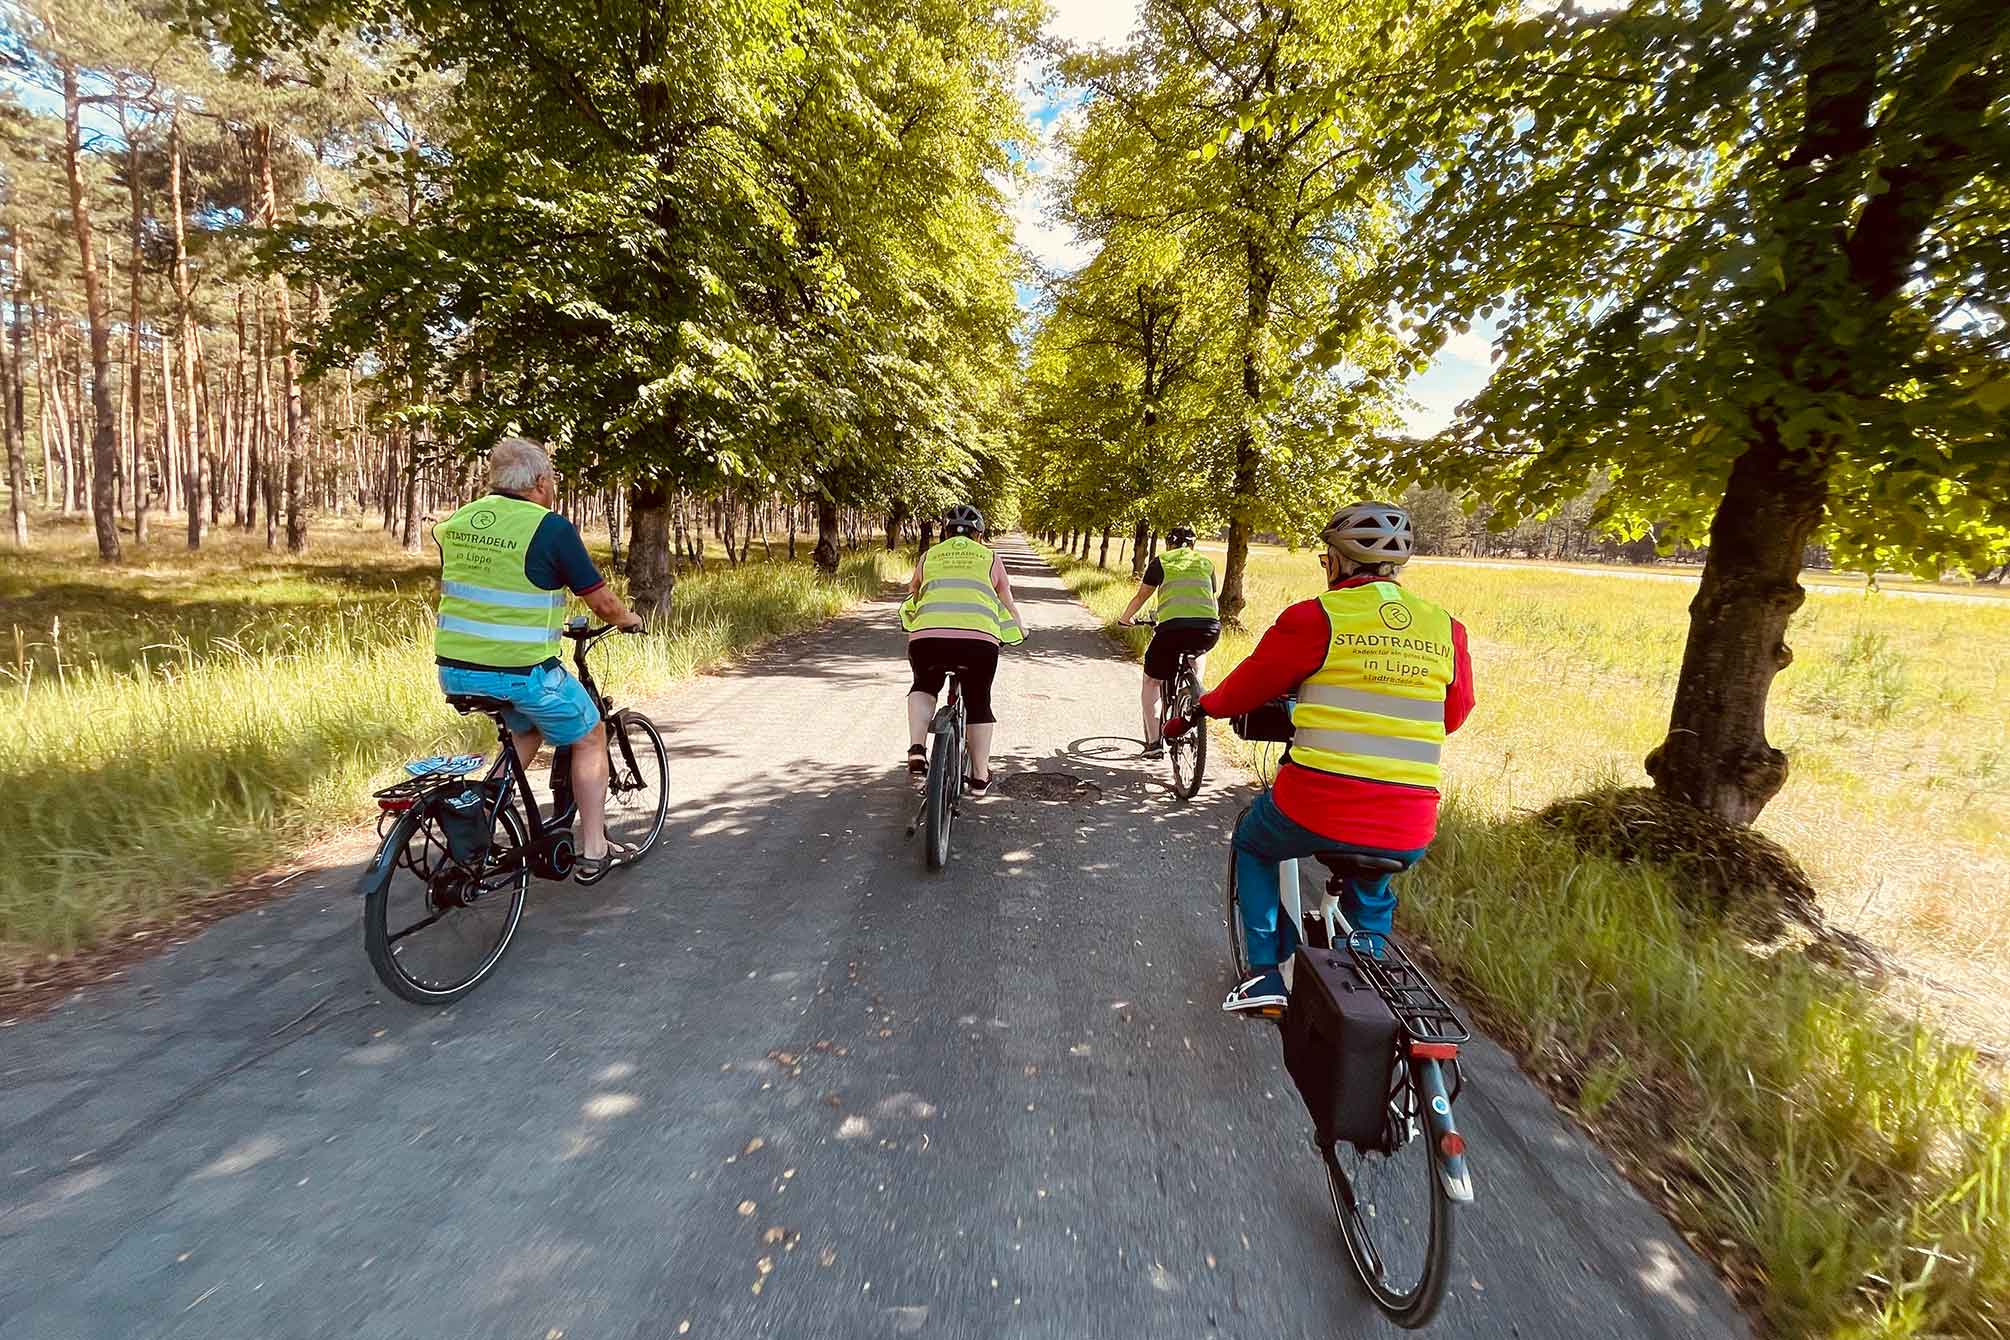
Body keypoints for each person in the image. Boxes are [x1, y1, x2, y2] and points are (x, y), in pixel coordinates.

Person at [1163, 501, 1475, 1012]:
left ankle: (1265, 973)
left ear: (1336, 561)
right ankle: (1369, 976)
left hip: (1317, 806)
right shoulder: (1446, 627)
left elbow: (1243, 690)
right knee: (1373, 884)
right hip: (1410, 819)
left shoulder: (1317, 616)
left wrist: (1196, 711)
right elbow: (1453, 715)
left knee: (1255, 844)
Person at [433, 437, 645, 884]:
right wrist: (627, 619)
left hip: (455, 669)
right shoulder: (549, 528)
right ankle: (595, 848)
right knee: (590, 734)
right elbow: (602, 601)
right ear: (540, 482)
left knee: (526, 726)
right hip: (521, 671)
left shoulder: (457, 523)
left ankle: (486, 810)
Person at [899, 504, 1026, 795]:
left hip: (927, 639)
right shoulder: (990, 558)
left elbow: (913, 597)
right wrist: (1020, 627)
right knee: (979, 700)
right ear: (979, 535)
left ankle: (918, 748)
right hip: (977, 643)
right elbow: (1006, 602)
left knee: (924, 684)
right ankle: (980, 778)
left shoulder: (928, 556)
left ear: (945, 533)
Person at [1116, 525, 1221, 758]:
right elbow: (1211, 598)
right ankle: (1195, 691)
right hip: (1209, 628)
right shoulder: (1206, 563)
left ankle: (1153, 745)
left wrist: (1125, 619)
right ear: (1193, 544)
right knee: (1198, 651)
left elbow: (1142, 596)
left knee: (1151, 681)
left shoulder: (1161, 562)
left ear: (1169, 543)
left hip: (1172, 630)